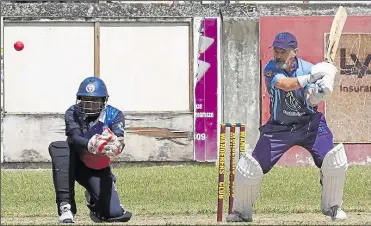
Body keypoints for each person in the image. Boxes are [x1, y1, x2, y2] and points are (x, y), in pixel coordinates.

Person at [226, 32, 348, 222]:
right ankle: (241, 213)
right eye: (276, 50)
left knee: (334, 162)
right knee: (249, 169)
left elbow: (310, 99)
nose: (278, 55)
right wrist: (312, 77)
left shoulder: (307, 68)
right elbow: (284, 84)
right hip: (279, 127)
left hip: (309, 125)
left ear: (294, 52)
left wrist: (320, 92)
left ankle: (333, 207)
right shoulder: (271, 69)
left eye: (283, 51)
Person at [48, 76, 132, 223]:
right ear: (80, 99)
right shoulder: (72, 112)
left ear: (103, 101)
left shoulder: (115, 115)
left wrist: (116, 146)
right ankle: (65, 206)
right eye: (86, 99)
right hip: (75, 161)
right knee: (59, 148)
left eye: (95, 100)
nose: (90, 104)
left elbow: (119, 140)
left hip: (97, 167)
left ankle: (96, 199)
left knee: (112, 213)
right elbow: (74, 137)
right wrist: (91, 144)